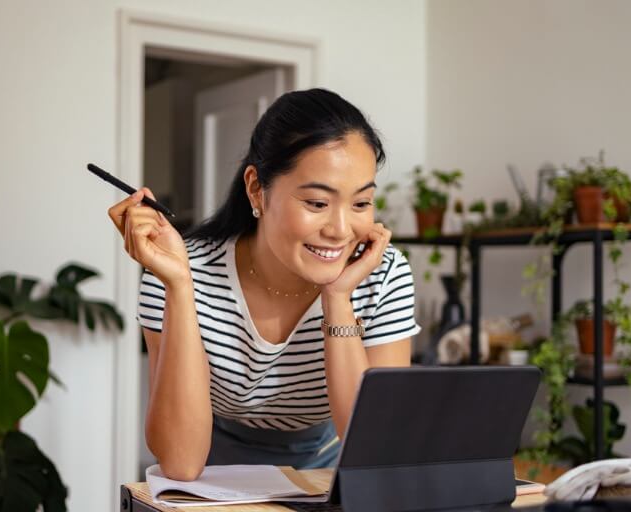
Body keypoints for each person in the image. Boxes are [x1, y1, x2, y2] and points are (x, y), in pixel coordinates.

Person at [108, 88, 421, 481]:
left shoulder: (381, 273)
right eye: (317, 203)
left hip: (330, 466)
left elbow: (377, 450)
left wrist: (338, 298)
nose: (341, 231)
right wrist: (181, 286)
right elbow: (181, 463)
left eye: (360, 204)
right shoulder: (178, 271)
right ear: (256, 188)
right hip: (210, 467)